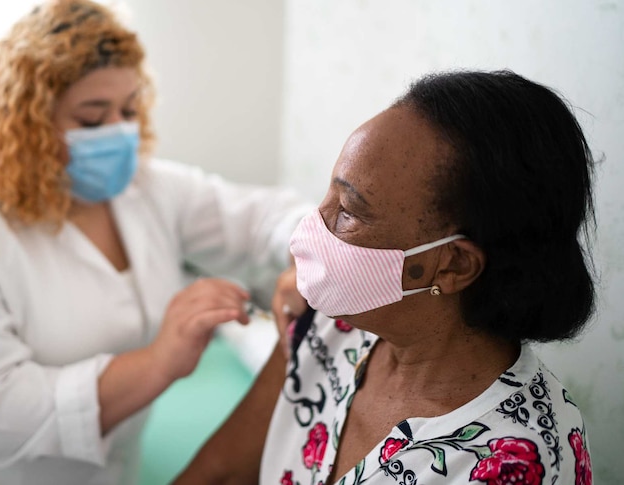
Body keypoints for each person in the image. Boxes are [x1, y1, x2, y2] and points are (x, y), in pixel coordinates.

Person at [0, 1, 312, 483]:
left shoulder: (147, 190)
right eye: (93, 119)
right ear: (27, 123)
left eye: (128, 110)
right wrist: (159, 361)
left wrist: (312, 259)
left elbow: (267, 218)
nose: (119, 133)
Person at [174, 70, 596, 485]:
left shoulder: (519, 461)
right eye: (330, 194)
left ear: (453, 265)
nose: (313, 227)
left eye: (348, 213)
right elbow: (220, 472)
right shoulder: (332, 323)